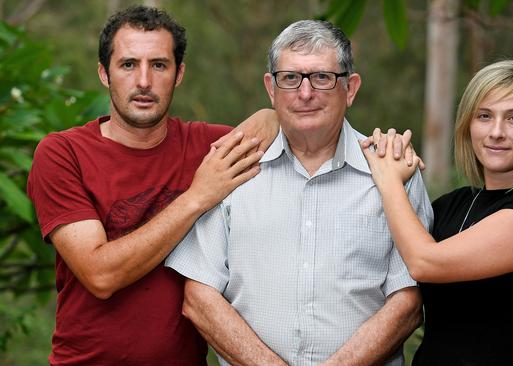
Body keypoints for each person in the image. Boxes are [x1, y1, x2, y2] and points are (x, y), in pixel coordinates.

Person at [165, 20, 433, 366]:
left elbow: (408, 301)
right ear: (271, 89)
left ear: (350, 89)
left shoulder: (394, 171)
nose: (305, 94)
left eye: (322, 78)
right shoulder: (231, 169)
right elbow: (199, 297)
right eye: (290, 78)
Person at [27, 6, 280, 365]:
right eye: (128, 65)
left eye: (159, 65)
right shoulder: (64, 153)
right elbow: (100, 274)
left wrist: (268, 116)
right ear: (104, 73)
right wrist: (198, 197)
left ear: (179, 74)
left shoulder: (206, 147)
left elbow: (282, 124)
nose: (144, 81)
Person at [362, 60, 513, 366]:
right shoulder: (451, 205)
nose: (497, 132)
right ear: (468, 124)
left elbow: (426, 262)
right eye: (485, 116)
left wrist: (390, 180)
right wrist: (270, 119)